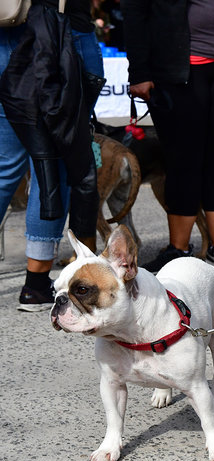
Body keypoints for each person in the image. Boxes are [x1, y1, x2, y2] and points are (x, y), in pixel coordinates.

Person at [122, 0, 214, 273]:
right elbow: (135, 13)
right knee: (182, 160)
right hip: (175, 69)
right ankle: (177, 250)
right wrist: (140, 72)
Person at [0, 1, 104, 312]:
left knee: (5, 167)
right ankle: (35, 285)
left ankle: (37, 284)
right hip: (63, 39)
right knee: (55, 167)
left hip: (6, 38)